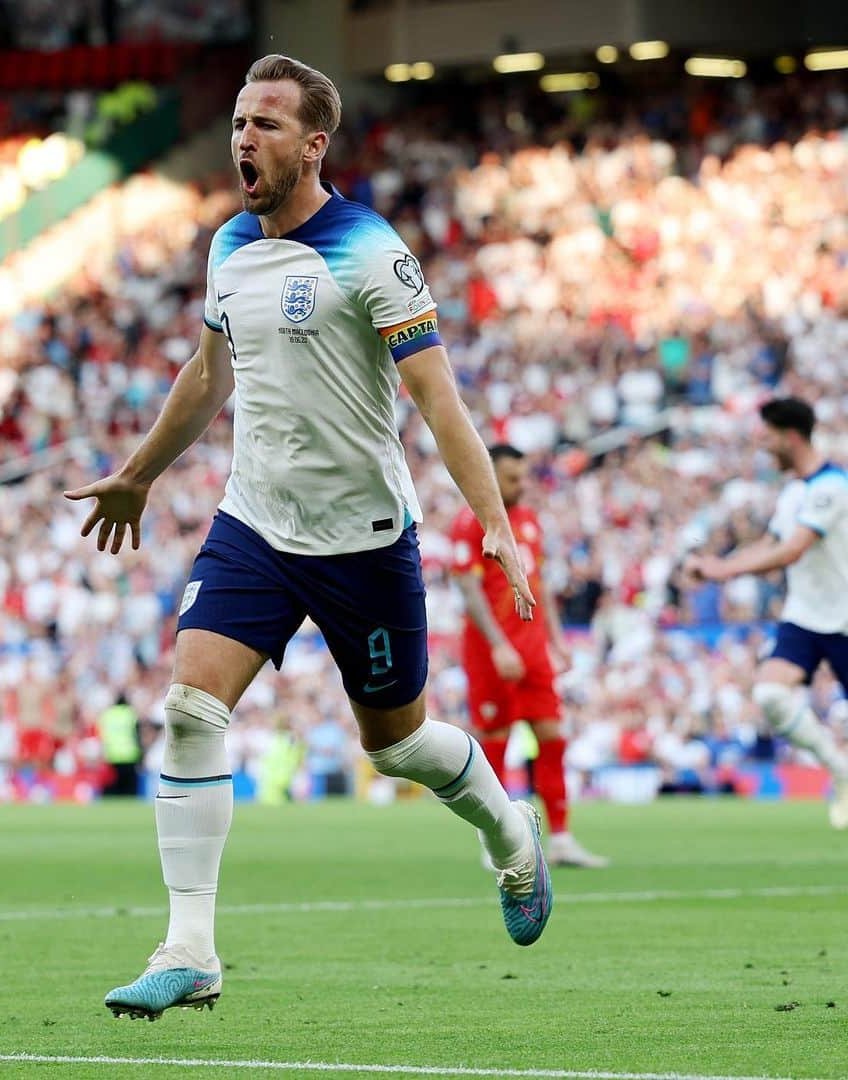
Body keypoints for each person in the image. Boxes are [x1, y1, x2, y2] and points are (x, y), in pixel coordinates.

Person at [66, 54, 552, 1022]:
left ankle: (511, 836)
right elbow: (211, 378)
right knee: (189, 708)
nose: (245, 138)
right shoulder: (229, 247)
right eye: (241, 121)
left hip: (364, 539)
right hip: (255, 523)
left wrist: (491, 517)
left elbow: (436, 396)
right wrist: (139, 474)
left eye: (269, 125)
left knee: (399, 746)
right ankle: (189, 949)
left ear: (315, 144)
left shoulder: (370, 250)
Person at [685, 398, 848, 829]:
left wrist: (724, 569)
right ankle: (840, 769)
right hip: (806, 617)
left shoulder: (832, 486)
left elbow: (791, 550)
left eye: (770, 436)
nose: (764, 445)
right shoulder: (795, 490)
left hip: (844, 618)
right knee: (770, 694)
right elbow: (770, 543)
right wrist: (716, 564)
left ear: (791, 436)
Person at [450, 445, 608, 868]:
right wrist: (499, 644)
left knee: (553, 739)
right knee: (495, 747)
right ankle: (496, 843)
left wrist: (556, 641)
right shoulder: (470, 523)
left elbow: (536, 586)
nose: (522, 486)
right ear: (491, 477)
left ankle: (561, 838)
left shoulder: (529, 521)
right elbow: (469, 590)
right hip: (490, 654)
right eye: (512, 478)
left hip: (534, 651)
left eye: (523, 477)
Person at [98, 694, 141, 797]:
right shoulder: (131, 713)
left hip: (112, 754)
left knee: (113, 788)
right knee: (129, 790)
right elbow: (137, 734)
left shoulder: (107, 714)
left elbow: (102, 735)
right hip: (129, 754)